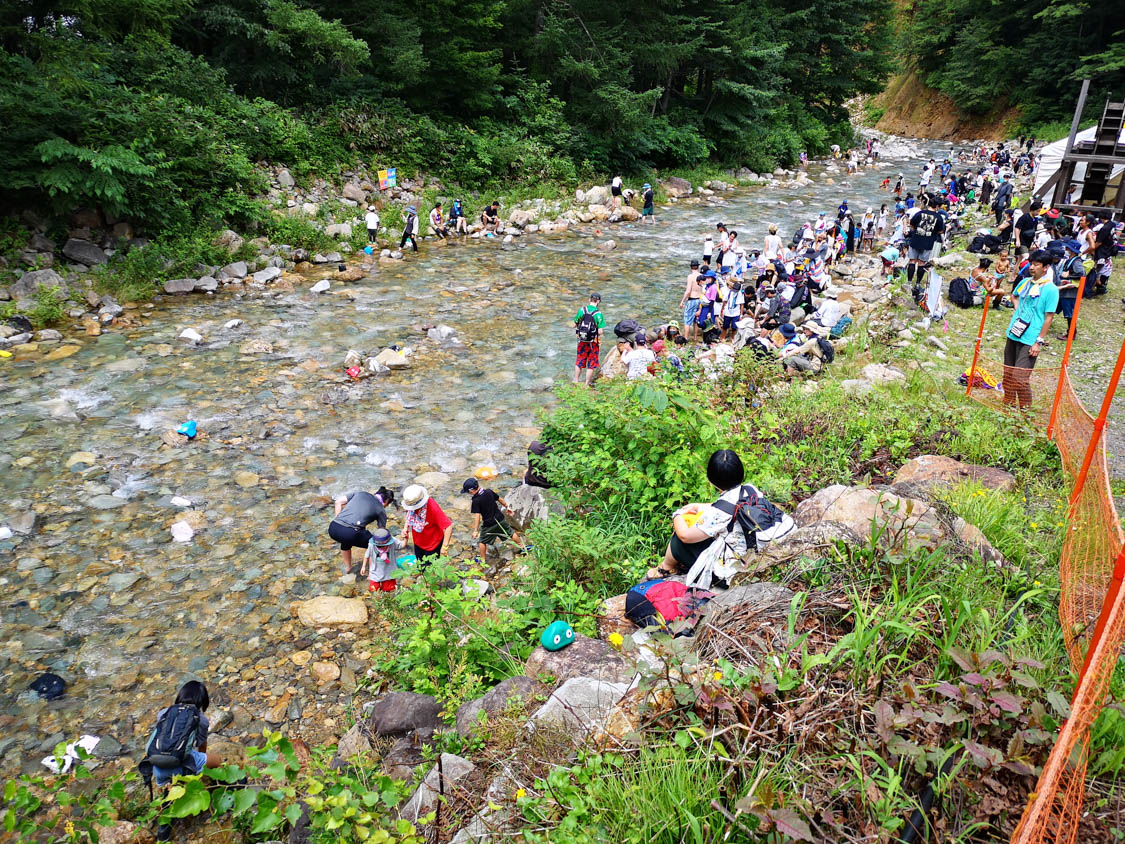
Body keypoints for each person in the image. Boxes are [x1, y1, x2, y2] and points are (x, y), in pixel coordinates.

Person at [649, 450, 790, 582]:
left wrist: (678, 514)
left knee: (678, 541)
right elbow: (733, 506)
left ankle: (664, 569)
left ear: (711, 480)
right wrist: (700, 506)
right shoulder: (750, 489)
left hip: (735, 570)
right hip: (768, 549)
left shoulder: (717, 514)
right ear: (741, 473)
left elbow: (685, 536)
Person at [141, 680, 220, 839]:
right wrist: (201, 768)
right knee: (219, 761)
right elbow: (201, 745)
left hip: (157, 766)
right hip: (180, 763)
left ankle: (163, 833)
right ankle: (231, 789)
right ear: (202, 701)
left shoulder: (163, 713)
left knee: (168, 795)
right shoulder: (201, 719)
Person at [1002, 249, 1058, 409]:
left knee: (1020, 377)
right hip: (1014, 333)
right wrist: (1018, 310)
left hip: (1030, 338)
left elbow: (1049, 317)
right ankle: (1008, 404)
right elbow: (1014, 295)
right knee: (1008, 373)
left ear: (1045, 267)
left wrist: (1038, 341)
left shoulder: (1051, 289)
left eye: (1036, 265)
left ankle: (1025, 411)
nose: (1032, 267)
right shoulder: (1025, 282)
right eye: (1031, 264)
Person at [330, 488, 395, 574]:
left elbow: (338, 501)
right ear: (386, 501)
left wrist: (339, 519)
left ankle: (348, 568)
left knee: (346, 539)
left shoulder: (359, 493)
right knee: (375, 545)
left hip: (333, 528)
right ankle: (374, 572)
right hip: (350, 533)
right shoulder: (380, 509)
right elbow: (381, 533)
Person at [462, 478, 524, 563]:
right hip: (500, 519)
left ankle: (483, 560)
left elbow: (477, 516)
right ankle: (523, 548)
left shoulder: (476, 500)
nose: (469, 494)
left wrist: (475, 530)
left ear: (471, 490)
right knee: (511, 533)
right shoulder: (489, 491)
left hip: (489, 524)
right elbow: (499, 499)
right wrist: (507, 507)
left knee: (482, 541)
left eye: (468, 492)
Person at [400, 484, 452, 565]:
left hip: (433, 545)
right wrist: (405, 528)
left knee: (430, 570)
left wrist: (444, 547)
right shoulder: (411, 505)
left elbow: (448, 526)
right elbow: (409, 516)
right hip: (418, 541)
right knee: (420, 565)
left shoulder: (432, 507)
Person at [905, 196, 945, 289]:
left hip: (915, 240)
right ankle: (918, 283)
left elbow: (911, 225)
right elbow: (940, 232)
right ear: (937, 206)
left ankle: (909, 282)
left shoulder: (919, 213)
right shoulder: (938, 217)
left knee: (912, 261)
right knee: (922, 263)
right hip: (928, 243)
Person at [573, 291, 605, 387]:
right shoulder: (599, 314)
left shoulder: (581, 310)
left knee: (579, 360)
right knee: (591, 364)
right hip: (593, 343)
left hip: (582, 341)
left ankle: (576, 380)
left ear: (589, 300)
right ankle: (586, 385)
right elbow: (600, 331)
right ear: (598, 302)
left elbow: (574, 324)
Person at [361, 528, 402, 593]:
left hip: (389, 572)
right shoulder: (372, 545)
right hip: (375, 572)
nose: (382, 547)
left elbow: (402, 545)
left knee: (389, 590)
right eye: (379, 546)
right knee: (374, 590)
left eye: (384, 545)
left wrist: (406, 537)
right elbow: (367, 555)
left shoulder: (393, 542)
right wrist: (363, 567)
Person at [680, 262, 704, 343]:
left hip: (692, 300)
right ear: (698, 267)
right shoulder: (701, 276)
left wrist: (682, 301)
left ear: (691, 267)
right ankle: (695, 338)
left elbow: (688, 291)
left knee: (687, 321)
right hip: (700, 300)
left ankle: (686, 339)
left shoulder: (690, 277)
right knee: (695, 320)